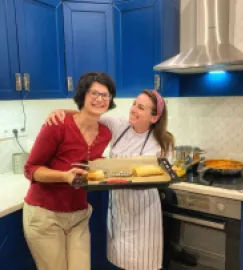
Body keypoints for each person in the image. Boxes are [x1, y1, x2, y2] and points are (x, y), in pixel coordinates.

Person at [46, 89, 174, 270]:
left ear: (154, 117)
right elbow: (87, 116)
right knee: (121, 261)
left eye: (141, 107)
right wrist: (60, 111)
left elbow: (161, 174)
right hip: (119, 207)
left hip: (144, 209)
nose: (133, 110)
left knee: (144, 264)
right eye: (134, 104)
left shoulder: (162, 142)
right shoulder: (120, 125)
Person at [23, 72, 116, 270]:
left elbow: (87, 160)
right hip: (45, 215)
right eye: (94, 93)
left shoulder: (105, 133)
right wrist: (65, 176)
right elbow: (31, 168)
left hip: (79, 215)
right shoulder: (57, 125)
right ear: (83, 95)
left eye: (105, 95)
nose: (99, 99)